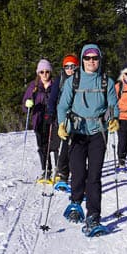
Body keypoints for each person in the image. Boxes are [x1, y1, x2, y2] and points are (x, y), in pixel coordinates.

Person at [56, 44, 120, 236]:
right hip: (77, 131)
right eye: (87, 57)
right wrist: (61, 124)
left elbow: (113, 105)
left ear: (100, 60)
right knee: (77, 171)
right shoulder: (73, 82)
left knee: (94, 176)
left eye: (95, 58)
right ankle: (75, 203)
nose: (91, 61)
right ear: (82, 60)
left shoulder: (105, 82)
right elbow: (63, 105)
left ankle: (93, 216)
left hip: (98, 132)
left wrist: (114, 118)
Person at [22, 59, 59, 182]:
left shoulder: (55, 85)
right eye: (42, 72)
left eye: (47, 71)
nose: (44, 74)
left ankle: (59, 170)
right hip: (39, 119)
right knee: (42, 146)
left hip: (54, 119)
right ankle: (46, 170)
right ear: (38, 73)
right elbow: (25, 104)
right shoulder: (33, 86)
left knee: (55, 145)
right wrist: (28, 104)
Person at [47, 54, 79, 187]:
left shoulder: (81, 80)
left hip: (79, 118)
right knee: (65, 146)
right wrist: (51, 113)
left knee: (76, 146)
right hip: (64, 118)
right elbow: (53, 98)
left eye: (73, 66)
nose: (70, 69)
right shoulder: (60, 80)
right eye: (67, 66)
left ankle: (76, 172)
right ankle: (63, 175)